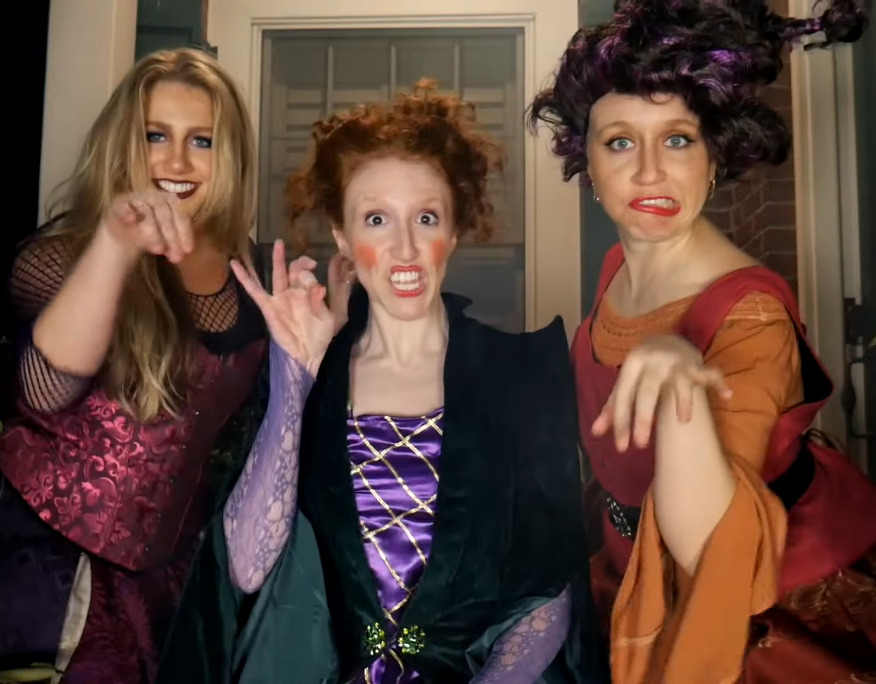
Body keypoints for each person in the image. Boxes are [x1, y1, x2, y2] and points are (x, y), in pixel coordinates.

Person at [527, 1, 876, 682]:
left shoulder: (751, 316)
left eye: (677, 139)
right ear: (588, 165)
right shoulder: (619, 267)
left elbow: (710, 548)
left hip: (764, 600)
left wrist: (682, 380)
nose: (649, 172)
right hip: (628, 559)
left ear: (714, 159)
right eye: (620, 142)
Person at [159, 80, 606, 683]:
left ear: (454, 231)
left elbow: (550, 589)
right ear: (343, 237)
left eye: (426, 218)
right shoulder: (309, 380)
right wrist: (293, 379)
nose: (405, 248)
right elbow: (244, 570)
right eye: (376, 219)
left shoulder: (523, 374)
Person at [0, 48, 347, 683]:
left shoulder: (257, 275)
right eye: (156, 136)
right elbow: (43, 391)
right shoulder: (66, 255)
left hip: (163, 580)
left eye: (201, 140)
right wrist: (115, 244)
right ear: (124, 143)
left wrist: (314, 355)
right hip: (33, 559)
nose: (177, 162)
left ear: (230, 155)